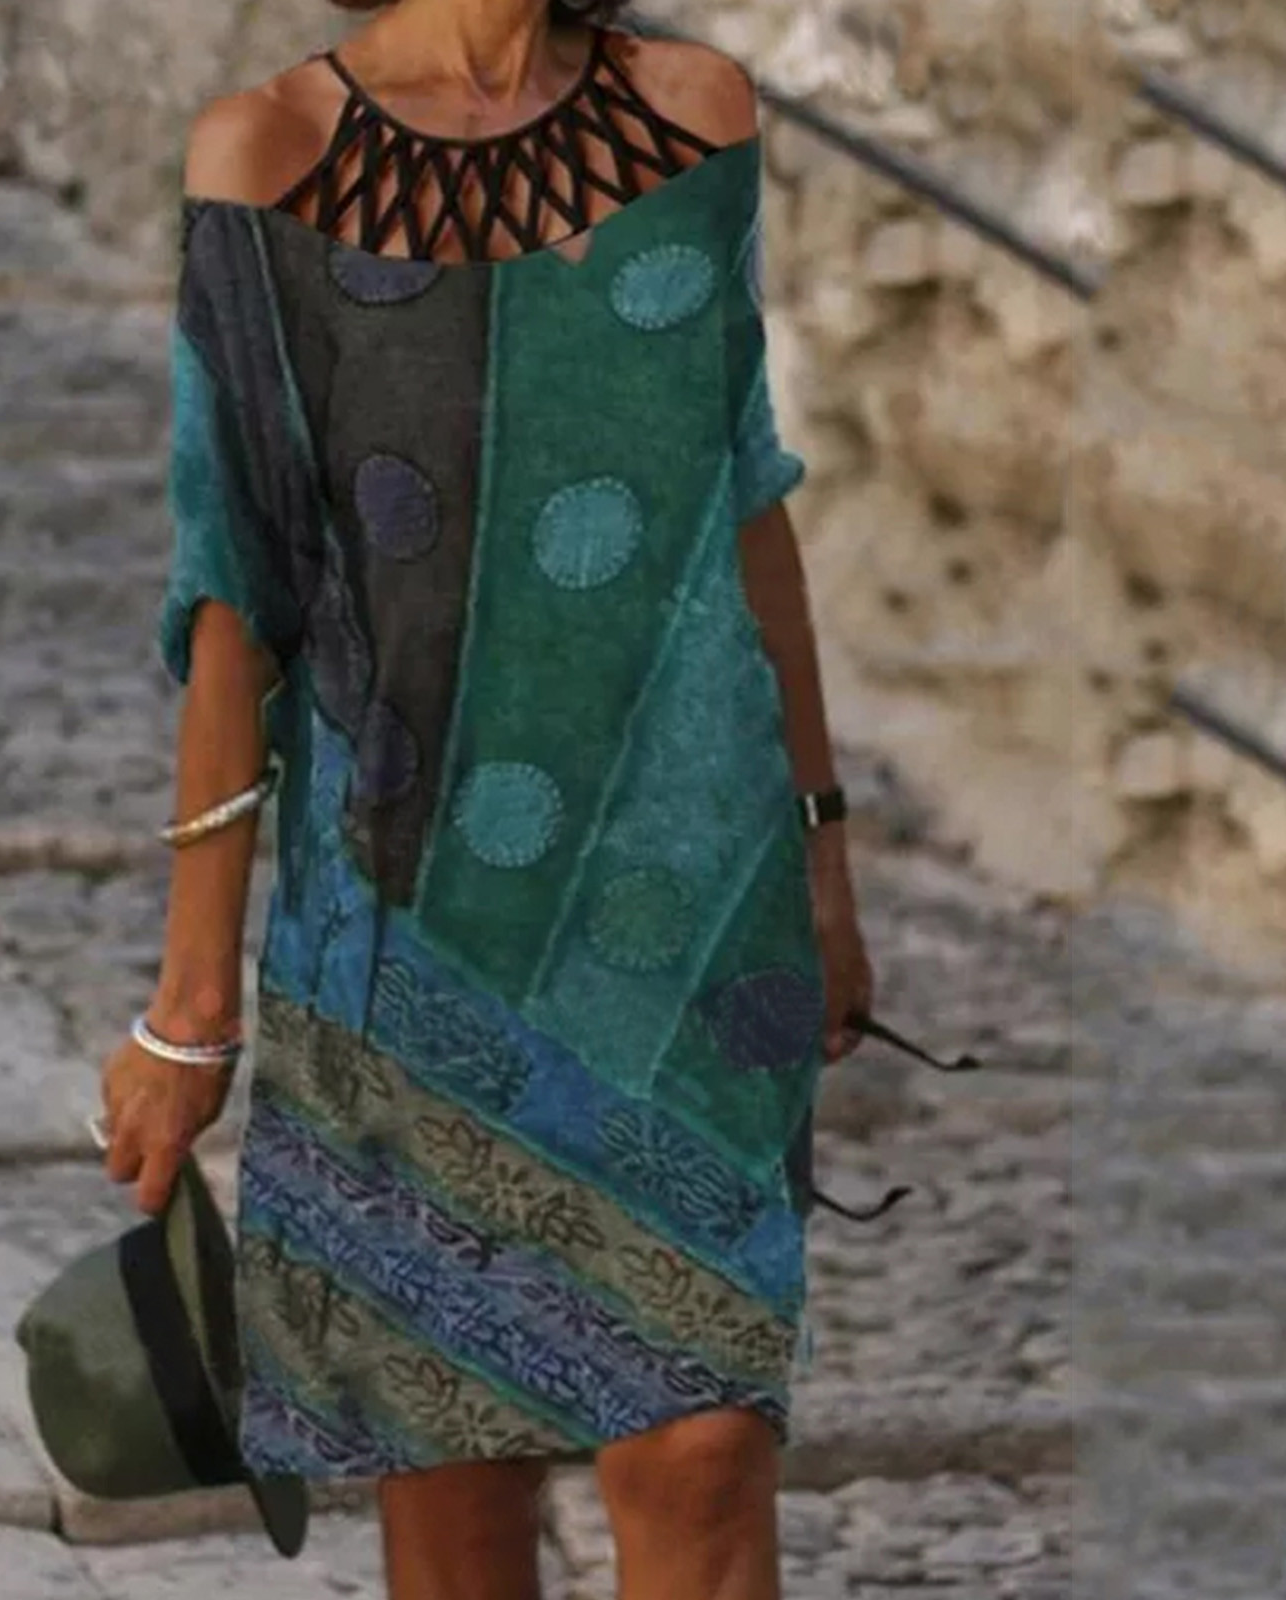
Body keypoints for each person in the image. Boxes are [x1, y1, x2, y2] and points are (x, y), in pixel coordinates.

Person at [96, 1, 874, 1595]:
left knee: (704, 1449)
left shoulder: (699, 112)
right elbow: (236, 589)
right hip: (402, 921)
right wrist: (190, 1008)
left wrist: (821, 855)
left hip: (684, 906)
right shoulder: (265, 153)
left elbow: (744, 497)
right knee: (457, 1487)